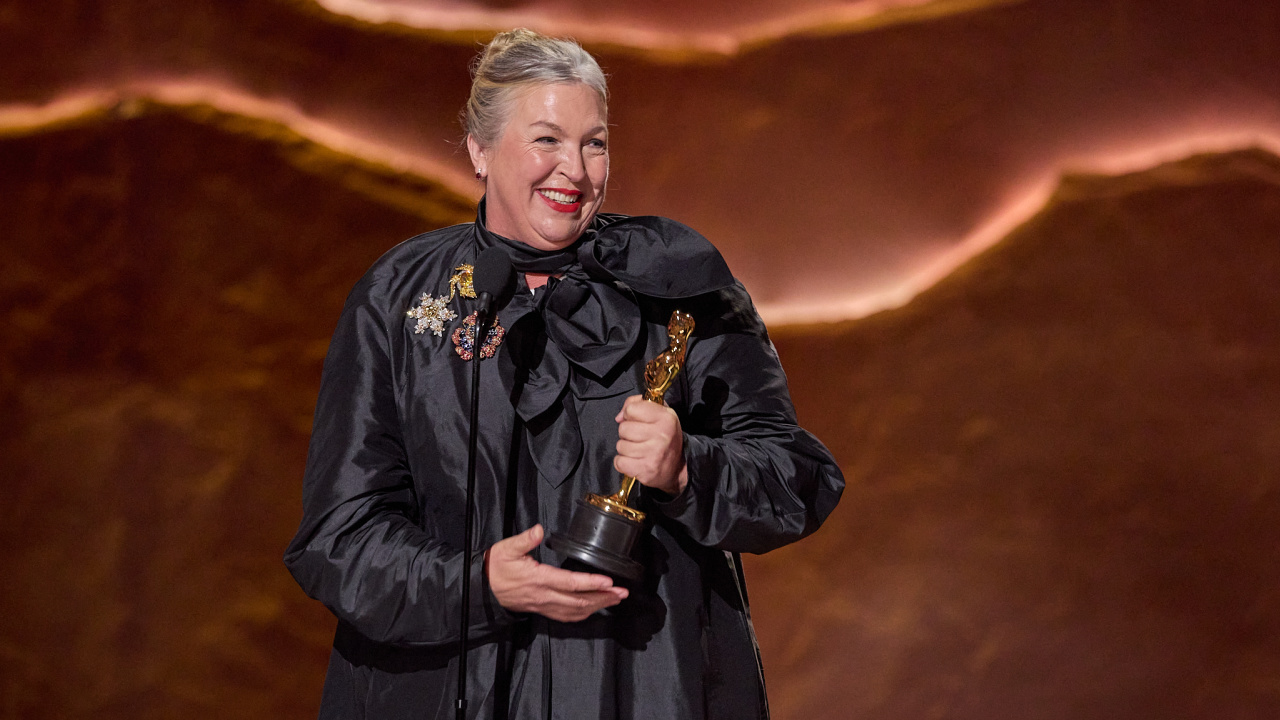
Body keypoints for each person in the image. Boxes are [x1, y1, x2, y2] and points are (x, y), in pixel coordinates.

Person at [284, 28, 845, 720]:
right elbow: (339, 539)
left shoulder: (678, 282)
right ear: (479, 150)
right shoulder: (401, 298)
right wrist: (479, 584)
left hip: (648, 687)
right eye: (546, 140)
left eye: (594, 142)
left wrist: (686, 469)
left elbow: (796, 479)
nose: (574, 171)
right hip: (454, 690)